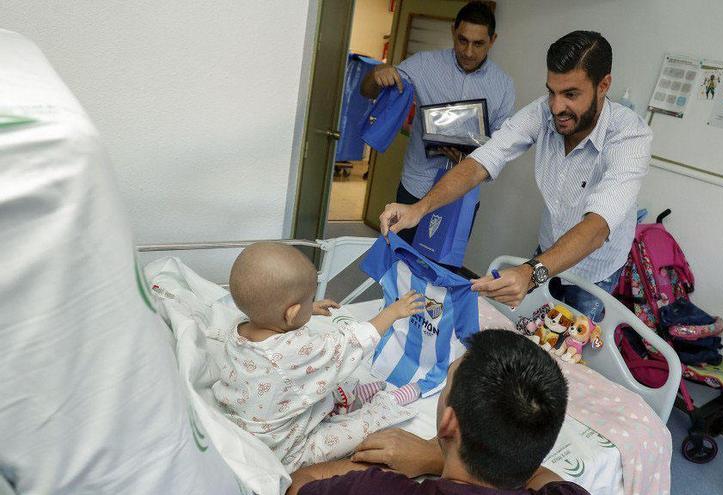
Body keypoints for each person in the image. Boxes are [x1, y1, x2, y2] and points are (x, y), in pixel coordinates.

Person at [379, 31, 653, 320]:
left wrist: (530, 272)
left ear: (603, 86)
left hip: (594, 273)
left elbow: (598, 226)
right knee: (528, 332)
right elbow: (482, 160)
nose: (557, 107)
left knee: (571, 354)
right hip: (548, 252)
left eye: (571, 94)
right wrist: (419, 208)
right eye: (552, 92)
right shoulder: (543, 113)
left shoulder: (630, 137)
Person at [288, 330, 589, 495]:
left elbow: (299, 483)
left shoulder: (376, 487)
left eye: (446, 387)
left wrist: (368, 476)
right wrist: (436, 455)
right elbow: (539, 474)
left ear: (448, 423)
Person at [212, 242, 425, 471]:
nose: (311, 303)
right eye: (309, 299)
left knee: (321, 380)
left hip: (257, 421)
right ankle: (385, 405)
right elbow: (349, 344)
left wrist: (306, 308)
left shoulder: (240, 328)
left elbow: (278, 315)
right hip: (283, 449)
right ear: (291, 313)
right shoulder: (291, 352)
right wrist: (391, 312)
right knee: (356, 431)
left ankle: (349, 397)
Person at [360, 1, 514, 245]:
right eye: (462, 40)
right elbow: (367, 91)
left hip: (461, 195)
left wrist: (466, 161)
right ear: (453, 31)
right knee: (399, 261)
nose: (469, 52)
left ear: (492, 40)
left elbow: (500, 147)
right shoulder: (423, 64)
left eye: (479, 44)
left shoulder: (503, 86)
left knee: (441, 272)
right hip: (415, 186)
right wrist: (378, 74)